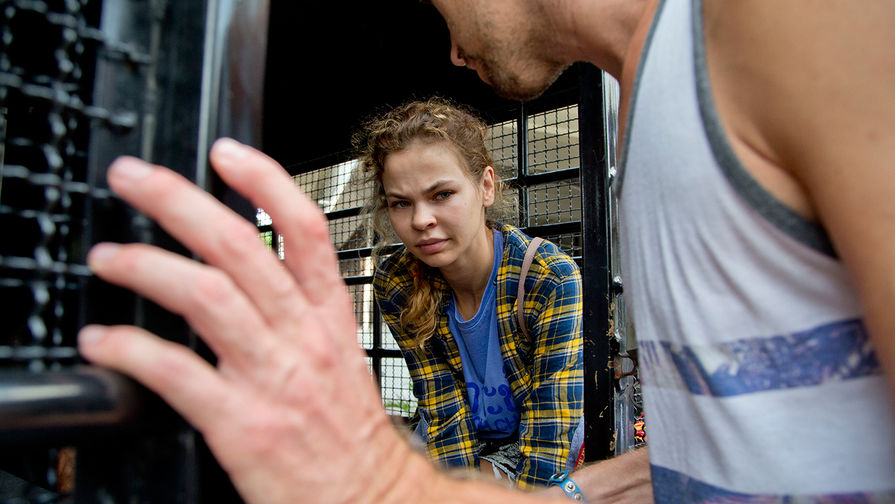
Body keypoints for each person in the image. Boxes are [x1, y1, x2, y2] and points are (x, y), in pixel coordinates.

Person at [77, 0, 895, 502]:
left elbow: (548, 452)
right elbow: (727, 454)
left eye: (437, 11)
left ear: (488, 189)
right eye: (399, 203)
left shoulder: (766, 24)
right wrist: (394, 477)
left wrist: (385, 482)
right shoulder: (646, 121)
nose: (452, 50)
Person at [358, 98, 584, 488]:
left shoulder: (548, 278)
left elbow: (550, 432)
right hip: (458, 431)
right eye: (401, 203)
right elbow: (441, 403)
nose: (420, 220)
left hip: (537, 434)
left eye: (442, 194)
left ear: (486, 187)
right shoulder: (396, 282)